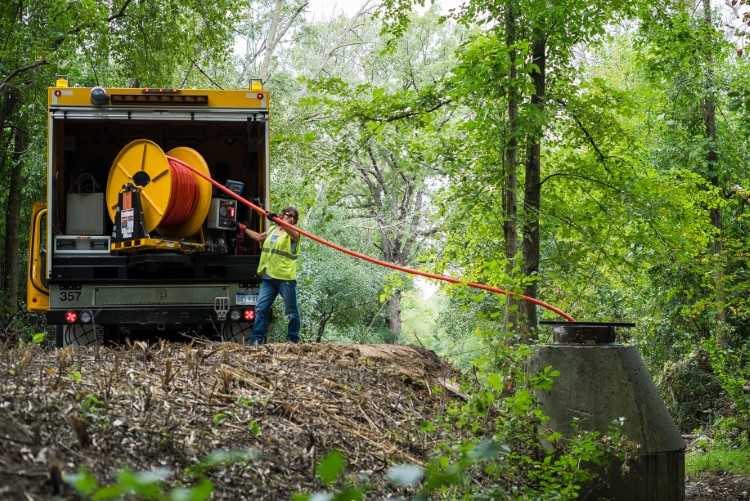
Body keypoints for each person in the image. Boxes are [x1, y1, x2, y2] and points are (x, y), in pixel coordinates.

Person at [237, 206, 301, 344]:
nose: (290, 219)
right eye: (288, 215)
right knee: (260, 309)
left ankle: (292, 340)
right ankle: (256, 341)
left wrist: (278, 221)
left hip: (285, 278)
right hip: (268, 277)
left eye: (293, 218)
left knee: (291, 312)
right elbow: (259, 237)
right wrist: (243, 228)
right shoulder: (273, 229)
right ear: (282, 214)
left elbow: (294, 236)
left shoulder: (294, 233)